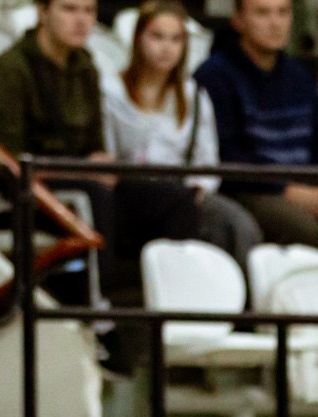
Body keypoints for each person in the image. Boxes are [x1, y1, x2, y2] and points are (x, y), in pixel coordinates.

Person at [0, 0, 203, 286]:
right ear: (43, 12)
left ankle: (169, 297)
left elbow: (95, 147)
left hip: (80, 179)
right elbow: (6, 162)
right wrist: (83, 169)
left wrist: (99, 165)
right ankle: (100, 302)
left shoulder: (86, 67)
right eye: (69, 9)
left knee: (174, 198)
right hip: (25, 191)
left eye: (89, 10)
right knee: (96, 195)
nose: (81, 20)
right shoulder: (10, 69)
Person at [196, 0, 318, 254]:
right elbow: (227, 155)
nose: (275, 23)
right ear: (238, 21)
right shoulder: (215, 75)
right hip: (250, 190)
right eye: (262, 13)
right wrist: (289, 191)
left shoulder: (300, 74)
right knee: (305, 231)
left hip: (306, 187)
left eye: (283, 12)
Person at [102, 0, 260, 269]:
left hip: (185, 190)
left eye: (176, 39)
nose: (167, 48)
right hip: (129, 191)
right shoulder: (111, 91)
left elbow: (207, 161)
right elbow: (106, 152)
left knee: (238, 225)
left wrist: (199, 188)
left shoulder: (194, 95)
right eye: (157, 37)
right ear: (139, 39)